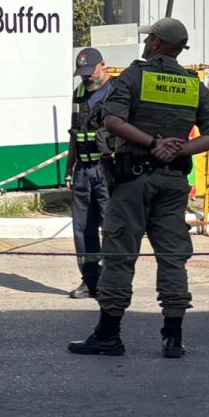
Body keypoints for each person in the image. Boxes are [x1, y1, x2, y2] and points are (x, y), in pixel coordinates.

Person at [68, 17, 209, 359]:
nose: (146, 43)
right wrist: (178, 149)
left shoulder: (134, 76)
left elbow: (112, 121)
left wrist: (152, 143)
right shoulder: (194, 85)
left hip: (133, 179)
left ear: (157, 43)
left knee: (119, 255)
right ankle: (173, 337)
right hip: (173, 181)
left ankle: (108, 334)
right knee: (173, 257)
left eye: (149, 39)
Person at [65, 47, 114, 300]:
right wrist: (68, 170)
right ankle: (90, 280)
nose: (86, 77)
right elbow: (74, 134)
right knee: (83, 229)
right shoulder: (79, 93)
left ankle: (112, 280)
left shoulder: (117, 90)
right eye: (82, 73)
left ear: (103, 65)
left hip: (108, 170)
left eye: (90, 71)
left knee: (111, 227)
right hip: (83, 170)